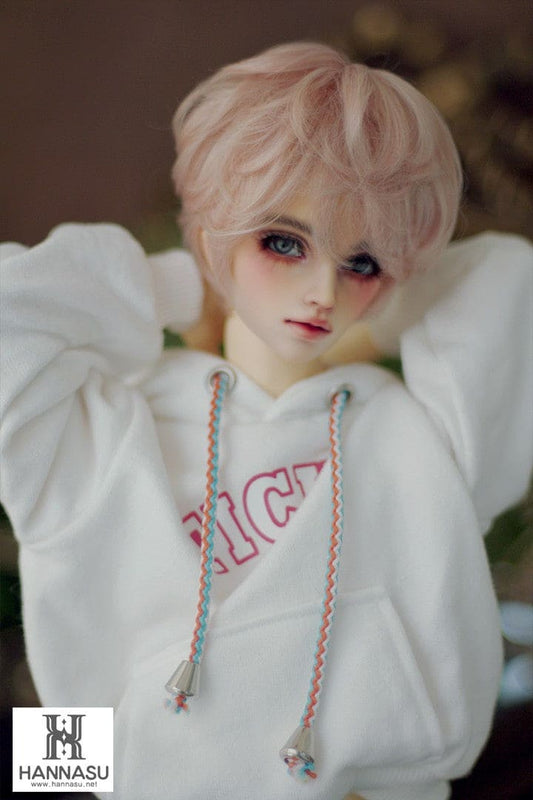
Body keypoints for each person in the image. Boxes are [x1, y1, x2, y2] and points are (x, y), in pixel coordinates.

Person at [1, 42, 532, 800]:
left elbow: (508, 277)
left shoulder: (418, 431)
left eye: (360, 263)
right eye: (284, 242)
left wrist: (393, 287)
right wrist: (187, 279)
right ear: (214, 232)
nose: (323, 291)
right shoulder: (105, 422)